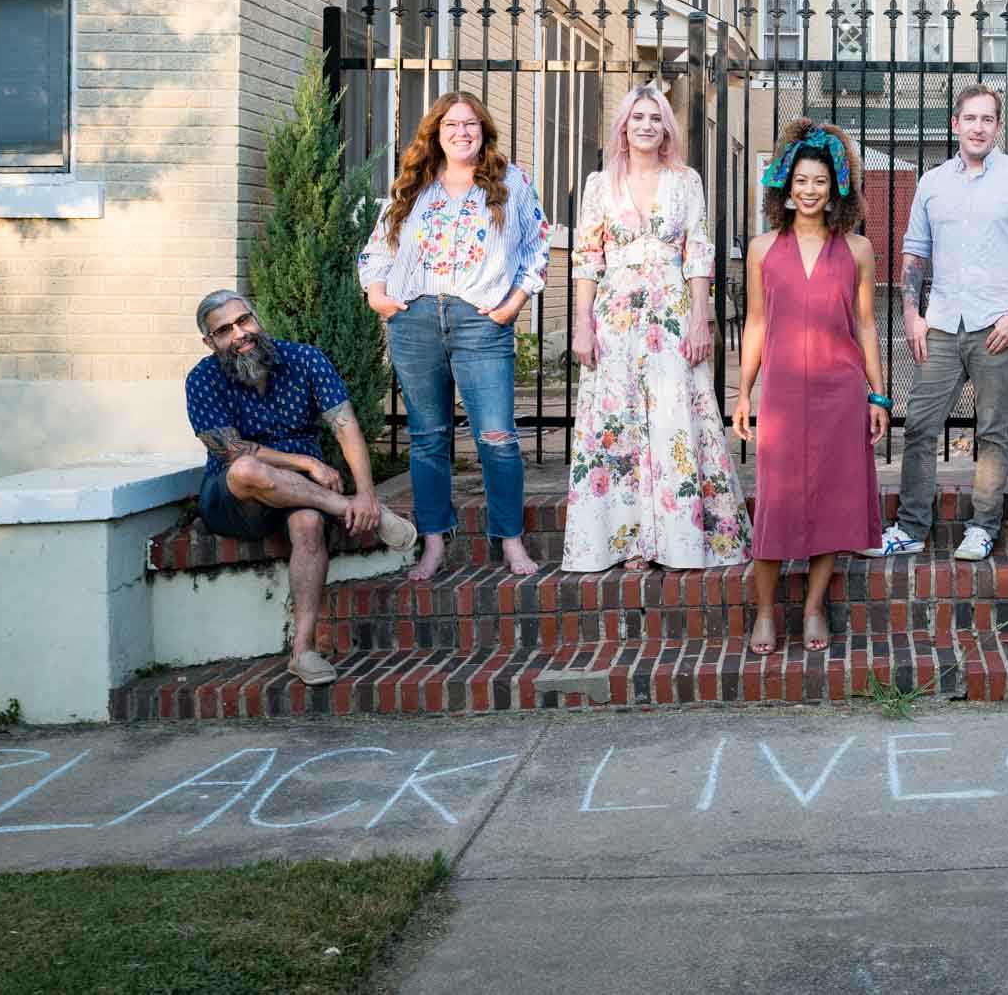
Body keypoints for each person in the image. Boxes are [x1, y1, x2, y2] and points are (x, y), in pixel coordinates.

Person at [359, 90, 549, 582]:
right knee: (428, 438)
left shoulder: (511, 183)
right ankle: (434, 542)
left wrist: (513, 305)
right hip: (415, 319)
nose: (461, 132)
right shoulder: (414, 184)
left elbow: (536, 249)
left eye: (470, 124)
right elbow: (378, 249)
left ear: (483, 131)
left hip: (480, 320)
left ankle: (510, 539)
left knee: (497, 436)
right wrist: (378, 296)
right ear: (436, 134)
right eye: (451, 125)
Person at [185, 289, 419, 686]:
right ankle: (343, 507)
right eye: (224, 330)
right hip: (233, 500)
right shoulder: (202, 378)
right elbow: (231, 451)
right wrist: (307, 463)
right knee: (246, 469)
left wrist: (367, 493)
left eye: (244, 320)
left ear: (257, 318)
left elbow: (344, 424)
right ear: (210, 342)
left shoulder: (305, 359)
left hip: (300, 493)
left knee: (309, 524)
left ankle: (303, 651)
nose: (240, 334)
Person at [562, 83, 750, 572]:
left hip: (671, 312)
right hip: (615, 316)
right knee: (617, 423)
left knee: (675, 418)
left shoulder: (685, 181)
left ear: (666, 128)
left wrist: (700, 317)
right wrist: (582, 324)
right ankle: (629, 541)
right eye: (638, 117)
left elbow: (699, 252)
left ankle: (678, 538)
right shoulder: (599, 185)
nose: (646, 125)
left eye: (655, 118)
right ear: (623, 126)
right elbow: (586, 258)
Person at [875, 83, 1008, 562]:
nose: (978, 127)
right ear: (955, 124)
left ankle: (982, 527)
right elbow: (915, 252)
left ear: (998, 126)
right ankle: (911, 527)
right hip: (942, 323)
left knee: (992, 432)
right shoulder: (932, 183)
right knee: (919, 426)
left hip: (998, 323)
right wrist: (911, 314)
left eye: (987, 119)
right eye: (970, 118)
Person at [733, 119, 889, 655]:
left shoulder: (858, 249)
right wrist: (743, 391)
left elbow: (865, 324)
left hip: (840, 394)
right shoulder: (762, 248)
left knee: (832, 501)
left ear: (836, 187)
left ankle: (815, 606)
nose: (809, 190)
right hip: (781, 395)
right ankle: (765, 611)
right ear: (785, 183)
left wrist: (878, 394)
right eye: (800, 180)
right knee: (775, 503)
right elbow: (756, 322)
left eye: (819, 181)